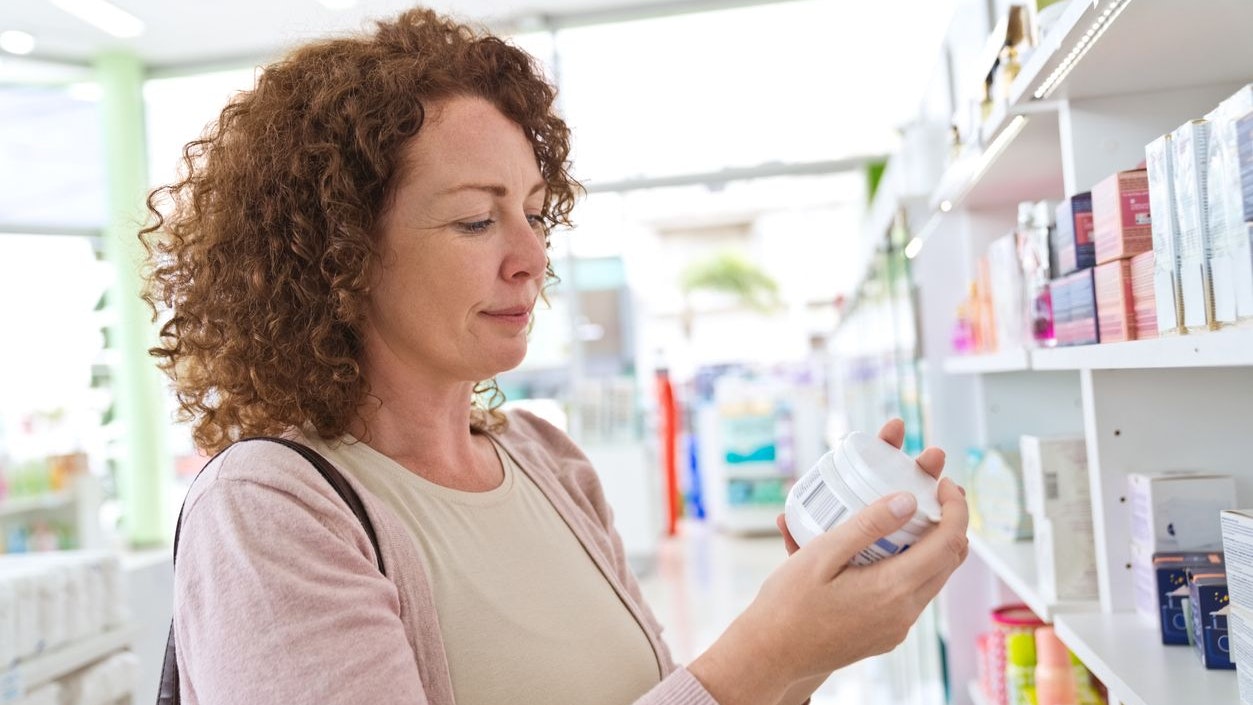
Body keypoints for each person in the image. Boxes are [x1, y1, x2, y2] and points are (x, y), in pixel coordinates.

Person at [139, 7, 969, 705]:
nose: (532, 257)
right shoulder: (269, 510)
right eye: (476, 220)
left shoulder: (546, 460)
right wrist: (766, 649)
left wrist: (813, 639)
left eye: (535, 213)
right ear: (339, 255)